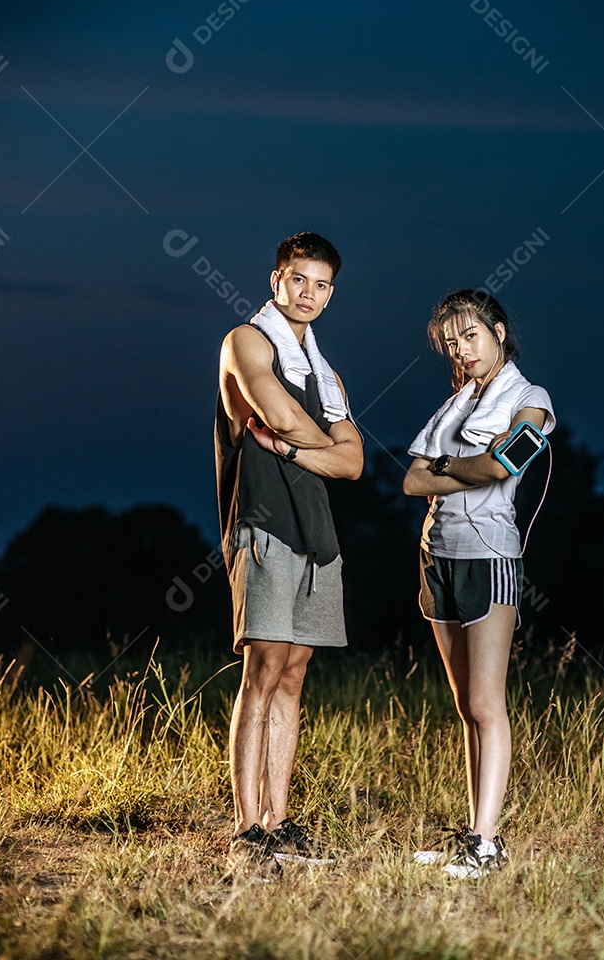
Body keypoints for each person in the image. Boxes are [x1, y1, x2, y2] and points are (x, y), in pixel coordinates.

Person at [215, 231, 363, 879]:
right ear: (276, 279)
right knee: (263, 670)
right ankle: (246, 828)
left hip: (316, 534)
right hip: (262, 521)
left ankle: (278, 821)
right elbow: (276, 414)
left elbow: (353, 464)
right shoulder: (246, 340)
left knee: (295, 674)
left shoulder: (324, 370)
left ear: (331, 295)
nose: (309, 293)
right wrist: (310, 445)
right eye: (298, 279)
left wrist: (293, 451)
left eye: (321, 284)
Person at [403, 288, 555, 880]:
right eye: (450, 342)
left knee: (488, 704)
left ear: (496, 330)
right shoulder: (454, 404)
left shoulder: (530, 396)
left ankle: (487, 848)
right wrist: (451, 469)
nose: (460, 350)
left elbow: (504, 464)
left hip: (488, 554)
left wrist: (443, 469)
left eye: (470, 336)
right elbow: (412, 483)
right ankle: (474, 834)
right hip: (435, 554)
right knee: (466, 707)